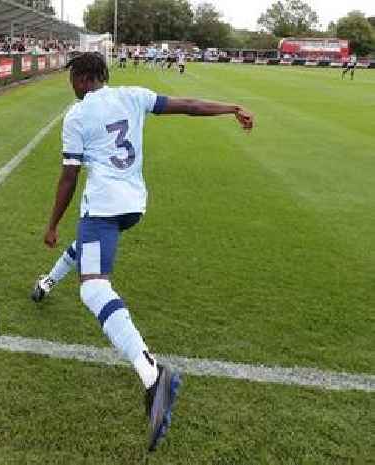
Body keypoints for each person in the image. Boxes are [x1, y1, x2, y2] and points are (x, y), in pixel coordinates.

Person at [30, 52, 253, 452]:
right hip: (134, 206)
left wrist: (50, 224)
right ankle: (47, 281)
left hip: (104, 205)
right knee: (88, 248)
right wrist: (231, 108)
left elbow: (68, 176)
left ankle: (153, 374)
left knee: (93, 287)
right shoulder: (133, 95)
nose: (71, 85)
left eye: (72, 78)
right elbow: (190, 106)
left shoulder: (77, 115)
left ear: (83, 78)